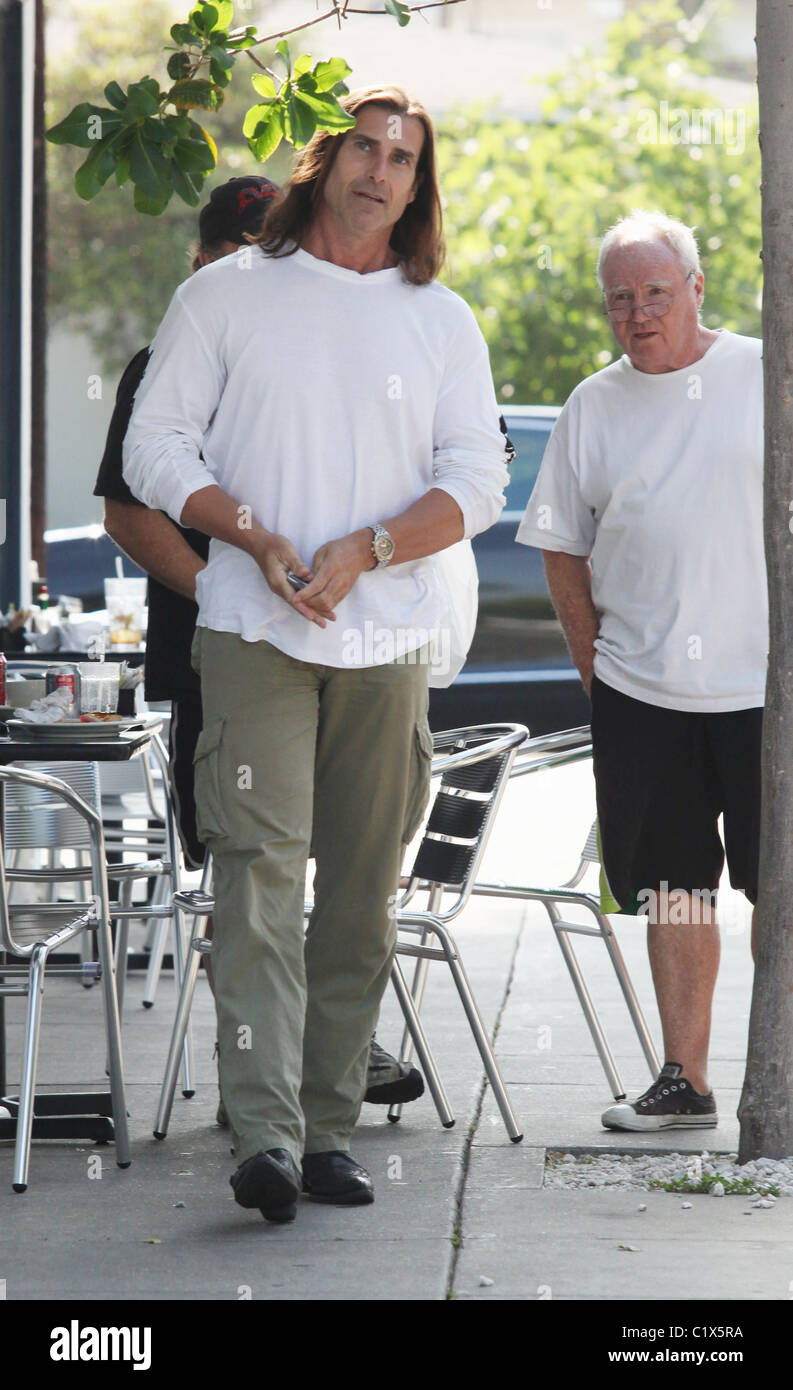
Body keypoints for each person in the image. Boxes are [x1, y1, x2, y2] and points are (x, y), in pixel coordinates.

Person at [123, 85, 510, 1222]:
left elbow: (478, 482)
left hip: (388, 642)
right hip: (251, 630)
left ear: (415, 184)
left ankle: (329, 1127)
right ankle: (267, 1136)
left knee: (358, 897)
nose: (381, 170)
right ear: (324, 159)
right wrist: (252, 533)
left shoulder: (442, 319)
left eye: (403, 157)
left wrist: (371, 546)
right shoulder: (227, 294)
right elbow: (153, 445)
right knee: (254, 878)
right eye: (364, 148)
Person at [94, 174, 425, 1119]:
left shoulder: (352, 332)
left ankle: (329, 1061)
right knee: (255, 873)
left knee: (350, 869)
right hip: (225, 645)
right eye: (243, 247)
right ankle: (264, 1095)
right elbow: (126, 506)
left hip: (354, 648)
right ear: (205, 257)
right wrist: (227, 593)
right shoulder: (171, 351)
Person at [516, 209, 765, 1133]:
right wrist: (597, 670)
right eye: (619, 299)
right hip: (641, 693)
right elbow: (559, 548)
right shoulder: (592, 403)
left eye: (655, 292)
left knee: (776, 891)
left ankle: (774, 1076)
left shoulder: (759, 374)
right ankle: (685, 1080)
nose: (638, 313)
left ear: (696, 288)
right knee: (671, 888)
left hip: (765, 691)